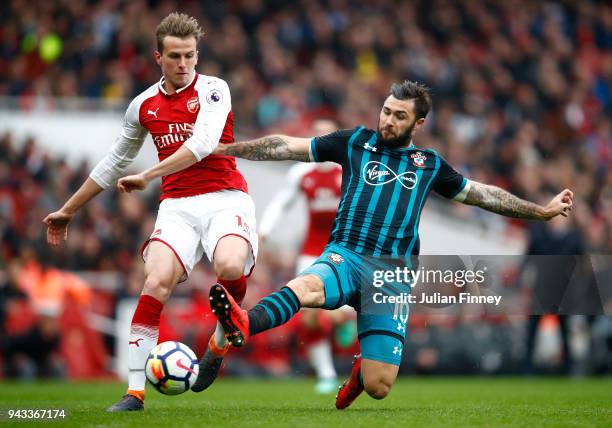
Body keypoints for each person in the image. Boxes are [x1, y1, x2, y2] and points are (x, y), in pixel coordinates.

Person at [118, 80, 574, 409]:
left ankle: (360, 369)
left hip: (392, 273)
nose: (388, 120)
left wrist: (541, 210)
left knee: (378, 387)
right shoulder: (354, 142)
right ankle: (242, 323)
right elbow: (285, 146)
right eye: (386, 110)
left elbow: (485, 196)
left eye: (399, 115)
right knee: (306, 287)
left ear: (419, 121)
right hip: (346, 254)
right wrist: (224, 150)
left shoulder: (430, 164)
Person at [43, 13, 258, 412]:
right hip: (177, 206)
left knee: (229, 265)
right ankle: (134, 392)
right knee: (155, 281)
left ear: (197, 55)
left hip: (225, 196)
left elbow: (203, 143)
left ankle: (219, 341)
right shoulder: (143, 105)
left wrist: (148, 174)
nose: (183, 64)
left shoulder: (214, 89)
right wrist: (67, 210)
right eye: (174, 56)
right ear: (157, 56)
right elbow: (113, 161)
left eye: (190, 55)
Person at [259, 118, 355, 393]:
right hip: (312, 250)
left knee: (336, 306)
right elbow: (282, 202)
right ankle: (326, 374)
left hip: (344, 248)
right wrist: (264, 230)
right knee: (308, 312)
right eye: (318, 134)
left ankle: (343, 319)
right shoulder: (302, 173)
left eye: (328, 135)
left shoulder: (348, 169)